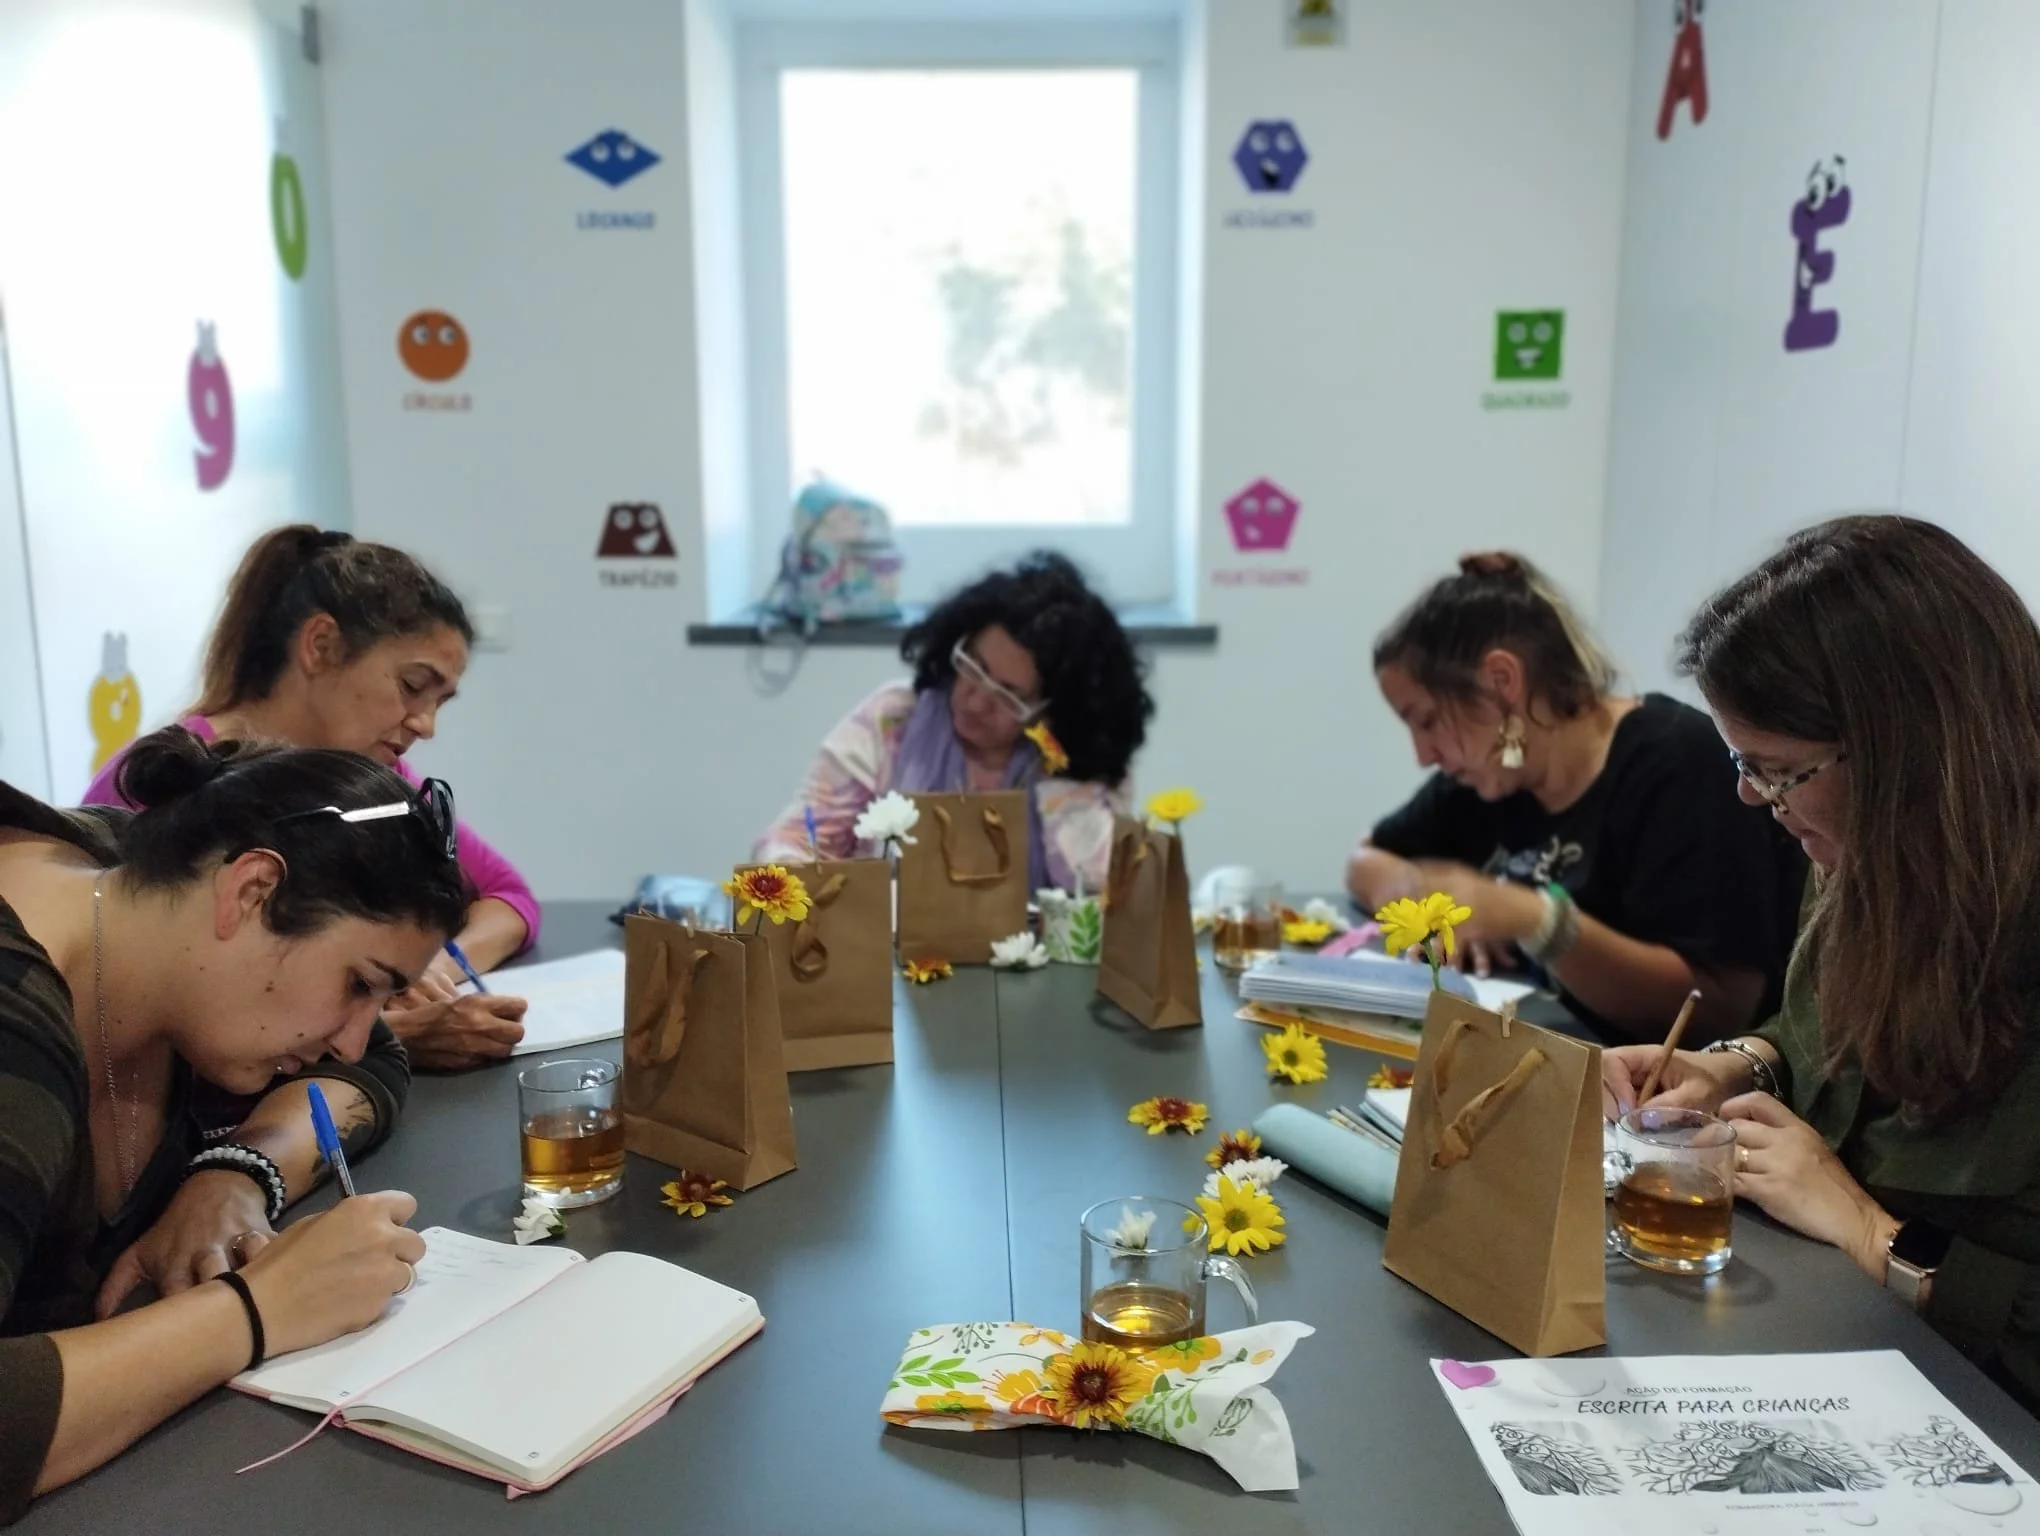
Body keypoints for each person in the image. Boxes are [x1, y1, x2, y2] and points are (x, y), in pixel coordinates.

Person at [1602, 515, 2040, 1411]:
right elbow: (1819, 1040)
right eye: (1741, 761)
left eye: (1776, 769)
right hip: (1838, 1335)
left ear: (1907, 751)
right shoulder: (1864, 851)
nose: (1750, 795)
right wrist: (1729, 1068)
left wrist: (1875, 1235)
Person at [0, 727, 468, 1521]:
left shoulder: (145, 882)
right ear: (250, 892)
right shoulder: (16, 1030)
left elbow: (375, 1063)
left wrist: (235, 1174)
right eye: (359, 984)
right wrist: (258, 1309)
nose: (354, 1036)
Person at [83, 526, 535, 1070]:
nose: (426, 724)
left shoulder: (383, 779)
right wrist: (384, 1033)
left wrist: (420, 967)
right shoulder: (158, 784)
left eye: (441, 701)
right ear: (320, 646)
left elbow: (508, 896)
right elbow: (130, 1004)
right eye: (413, 686)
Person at [1347, 552, 1804, 1044]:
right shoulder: (1489, 775)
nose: (1423, 755)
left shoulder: (1676, 762)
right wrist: (1429, 909)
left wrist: (1537, 922)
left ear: (1501, 682)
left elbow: (1721, 1011)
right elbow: (1364, 861)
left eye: (1427, 720)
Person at [757, 552, 1154, 892]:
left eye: (1008, 694)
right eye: (974, 666)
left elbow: (1101, 885)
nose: (976, 701)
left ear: (1052, 708)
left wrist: (1063, 765)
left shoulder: (1081, 757)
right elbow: (792, 840)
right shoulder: (894, 719)